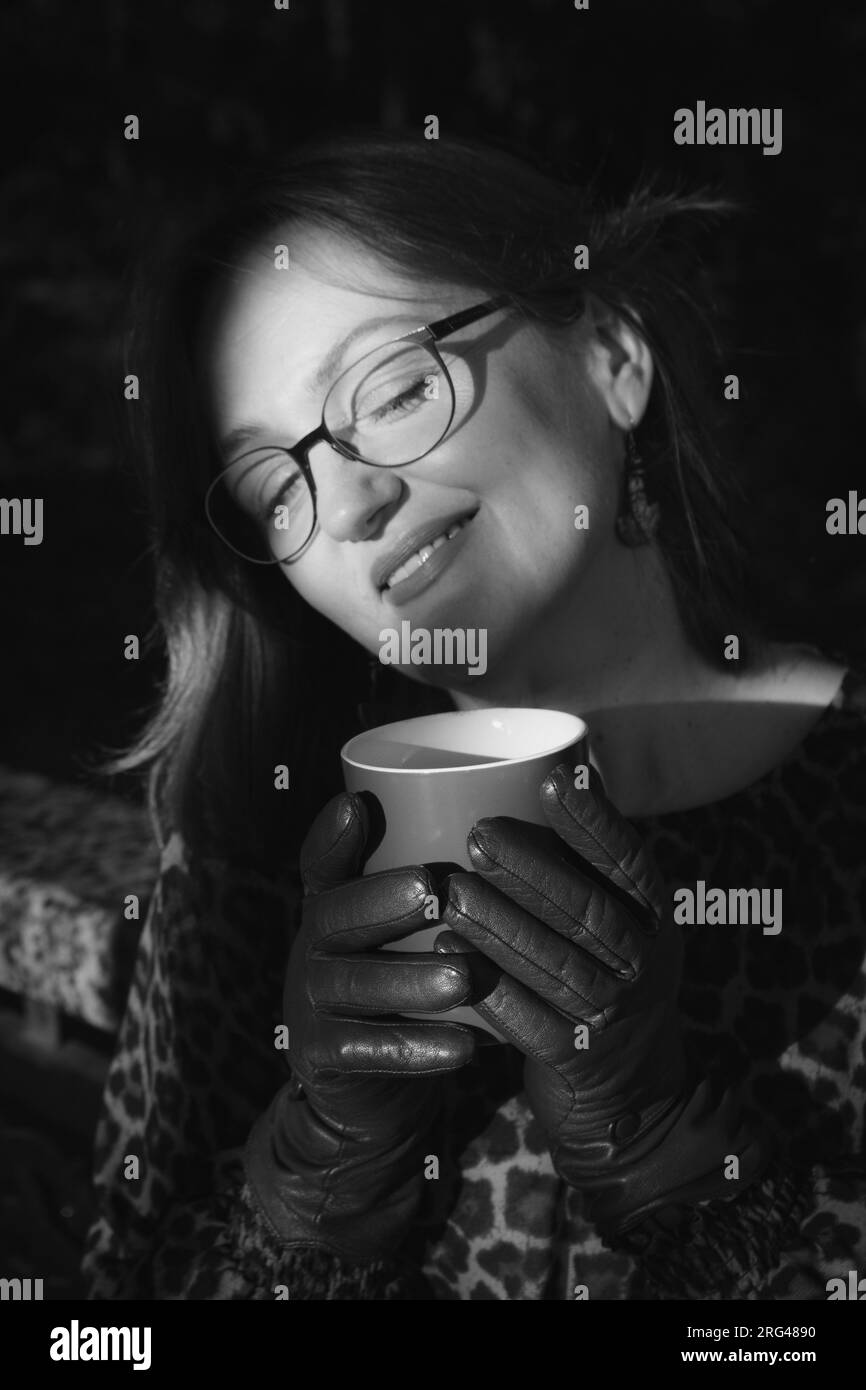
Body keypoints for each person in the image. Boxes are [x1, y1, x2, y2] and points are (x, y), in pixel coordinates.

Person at [83, 131, 866, 1300]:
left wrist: (670, 1161)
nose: (345, 501)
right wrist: (313, 1187)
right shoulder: (259, 854)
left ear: (610, 353)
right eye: (273, 485)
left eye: (394, 388)